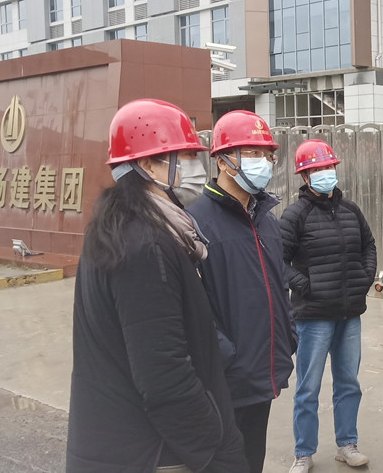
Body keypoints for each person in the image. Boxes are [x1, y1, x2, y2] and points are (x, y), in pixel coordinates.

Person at [66, 99, 248, 473]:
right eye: (186, 157)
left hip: (128, 443)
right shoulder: (146, 246)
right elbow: (163, 373)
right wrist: (215, 447)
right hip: (157, 452)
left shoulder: (123, 228)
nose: (196, 169)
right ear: (149, 165)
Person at [187, 110, 297, 473]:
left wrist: (288, 334)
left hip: (263, 372)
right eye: (251, 153)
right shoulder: (195, 221)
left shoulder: (267, 219)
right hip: (224, 379)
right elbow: (190, 306)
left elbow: (279, 283)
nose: (262, 162)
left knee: (253, 462)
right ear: (222, 160)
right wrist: (225, 355)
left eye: (267, 155)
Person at [281, 139, 377, 473]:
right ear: (305, 176)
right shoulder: (295, 215)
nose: (325, 173)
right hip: (314, 317)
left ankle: (347, 444)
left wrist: (364, 278)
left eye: (328, 167)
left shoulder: (351, 210)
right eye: (317, 169)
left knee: (348, 382)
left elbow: (368, 245)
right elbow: (278, 260)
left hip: (349, 314)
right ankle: (303, 452)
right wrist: (306, 286)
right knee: (308, 387)